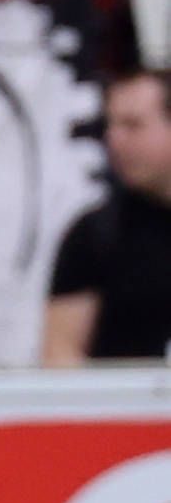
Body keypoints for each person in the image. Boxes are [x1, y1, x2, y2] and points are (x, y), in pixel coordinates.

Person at [45, 67, 171, 362]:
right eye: (110, 126)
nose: (114, 140)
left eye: (133, 125)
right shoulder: (96, 233)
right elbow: (60, 352)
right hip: (127, 405)